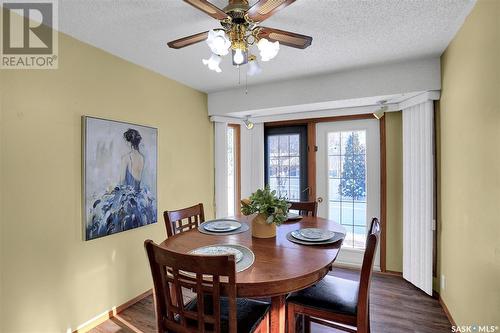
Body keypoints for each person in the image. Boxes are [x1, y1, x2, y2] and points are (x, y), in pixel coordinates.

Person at [87, 128, 156, 240]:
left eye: (125, 141)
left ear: (129, 143)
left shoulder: (126, 158)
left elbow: (122, 181)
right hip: (139, 196)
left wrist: (111, 189)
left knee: (102, 212)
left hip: (127, 198)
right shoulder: (142, 158)